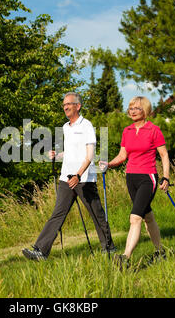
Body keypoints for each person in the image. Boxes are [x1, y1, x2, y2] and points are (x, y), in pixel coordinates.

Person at [22, 92, 115, 260]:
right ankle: (41, 251)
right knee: (58, 213)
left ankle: (108, 248)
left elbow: (89, 155)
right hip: (66, 178)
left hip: (84, 179)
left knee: (97, 214)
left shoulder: (86, 126)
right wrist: (57, 155)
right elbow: (72, 152)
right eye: (64, 104)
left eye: (69, 104)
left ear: (77, 106)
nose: (65, 107)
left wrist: (79, 175)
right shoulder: (66, 127)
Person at [99, 96, 170, 267]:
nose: (132, 111)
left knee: (135, 218)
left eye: (136, 108)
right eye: (130, 108)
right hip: (131, 177)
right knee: (148, 217)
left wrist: (166, 177)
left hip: (148, 178)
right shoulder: (127, 131)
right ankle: (160, 252)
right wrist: (109, 163)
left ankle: (125, 257)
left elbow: (164, 155)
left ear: (145, 110)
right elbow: (123, 156)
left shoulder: (154, 130)